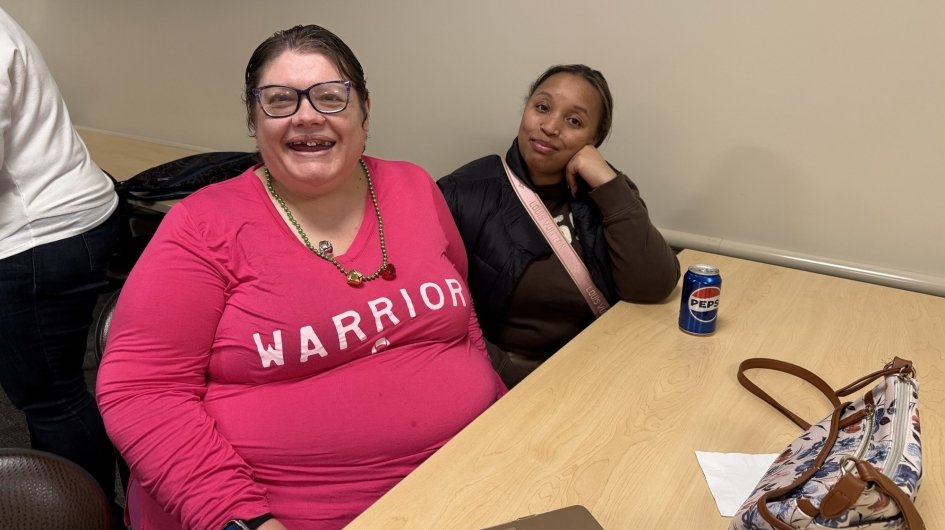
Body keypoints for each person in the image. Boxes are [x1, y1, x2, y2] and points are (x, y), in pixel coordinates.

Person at [96, 24, 505, 530]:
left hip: (473, 480)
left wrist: (498, 421)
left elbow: (462, 322)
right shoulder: (203, 226)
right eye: (279, 100)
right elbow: (140, 392)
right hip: (288, 515)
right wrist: (240, 519)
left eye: (331, 97)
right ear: (253, 118)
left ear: (365, 110)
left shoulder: (415, 185)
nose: (307, 116)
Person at [438, 64, 680, 388]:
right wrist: (521, 382)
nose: (550, 127)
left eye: (574, 121)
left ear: (594, 139)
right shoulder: (462, 194)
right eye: (542, 107)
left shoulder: (606, 191)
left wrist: (609, 183)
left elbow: (654, 285)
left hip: (606, 365)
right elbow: (443, 322)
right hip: (515, 381)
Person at [0, 6, 123, 523]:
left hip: (39, 240)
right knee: (61, 388)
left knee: (52, 398)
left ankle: (91, 515)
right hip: (71, 219)